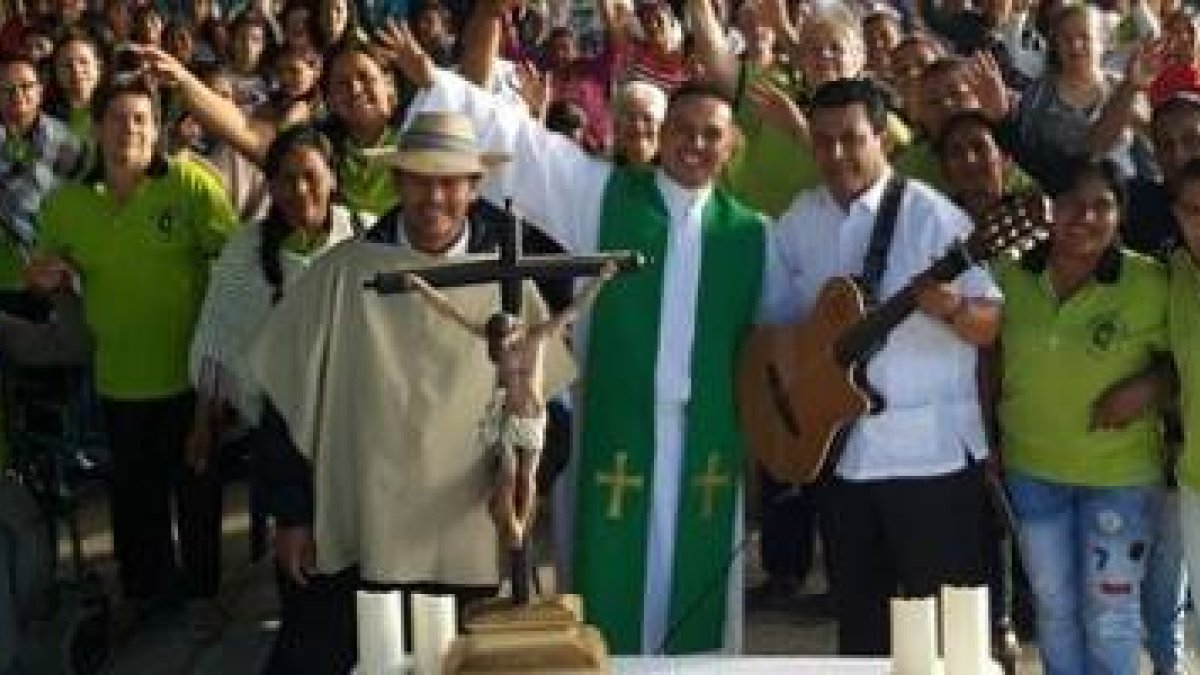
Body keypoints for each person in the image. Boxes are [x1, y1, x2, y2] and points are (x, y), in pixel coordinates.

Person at [382, 23, 774, 655]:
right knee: (607, 587)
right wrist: (439, 86)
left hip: (708, 439)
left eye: (711, 136)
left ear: (731, 147)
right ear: (661, 135)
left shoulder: (755, 235)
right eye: (683, 131)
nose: (694, 145)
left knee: (694, 599)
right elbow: (527, 147)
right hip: (613, 429)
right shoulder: (604, 195)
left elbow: (778, 337)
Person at [249, 111, 575, 674]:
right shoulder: (342, 275)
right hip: (364, 516)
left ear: (475, 188)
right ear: (397, 182)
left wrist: (526, 488)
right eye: (420, 179)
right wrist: (293, 512)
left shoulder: (510, 282)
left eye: (451, 181)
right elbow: (284, 399)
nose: (435, 196)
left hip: (467, 521)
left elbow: (549, 413)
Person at [766, 78, 1002, 656]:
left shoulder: (933, 218)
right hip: (844, 459)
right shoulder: (800, 219)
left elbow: (990, 322)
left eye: (852, 139)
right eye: (823, 142)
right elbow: (780, 331)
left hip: (933, 463)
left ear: (882, 140)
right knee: (861, 631)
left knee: (949, 636)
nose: (837, 155)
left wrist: (950, 307)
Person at [30, 77, 237, 638]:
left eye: (142, 119)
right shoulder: (68, 204)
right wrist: (47, 280)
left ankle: (202, 595)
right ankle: (146, 593)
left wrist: (219, 380)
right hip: (118, 380)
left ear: (159, 128)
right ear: (96, 129)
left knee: (196, 495)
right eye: (118, 118)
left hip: (190, 378)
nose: (131, 130)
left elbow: (236, 266)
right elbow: (47, 273)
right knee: (134, 500)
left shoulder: (191, 184)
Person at [996, 158, 1170, 675]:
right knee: (1054, 607)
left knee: (1111, 614)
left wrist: (1149, 387)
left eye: (1102, 205)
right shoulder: (1011, 275)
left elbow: (1188, 358)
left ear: (1120, 215)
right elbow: (989, 361)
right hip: (1033, 470)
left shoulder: (1151, 283)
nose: (1085, 217)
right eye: (1071, 203)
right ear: (1048, 209)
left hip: (1118, 476)